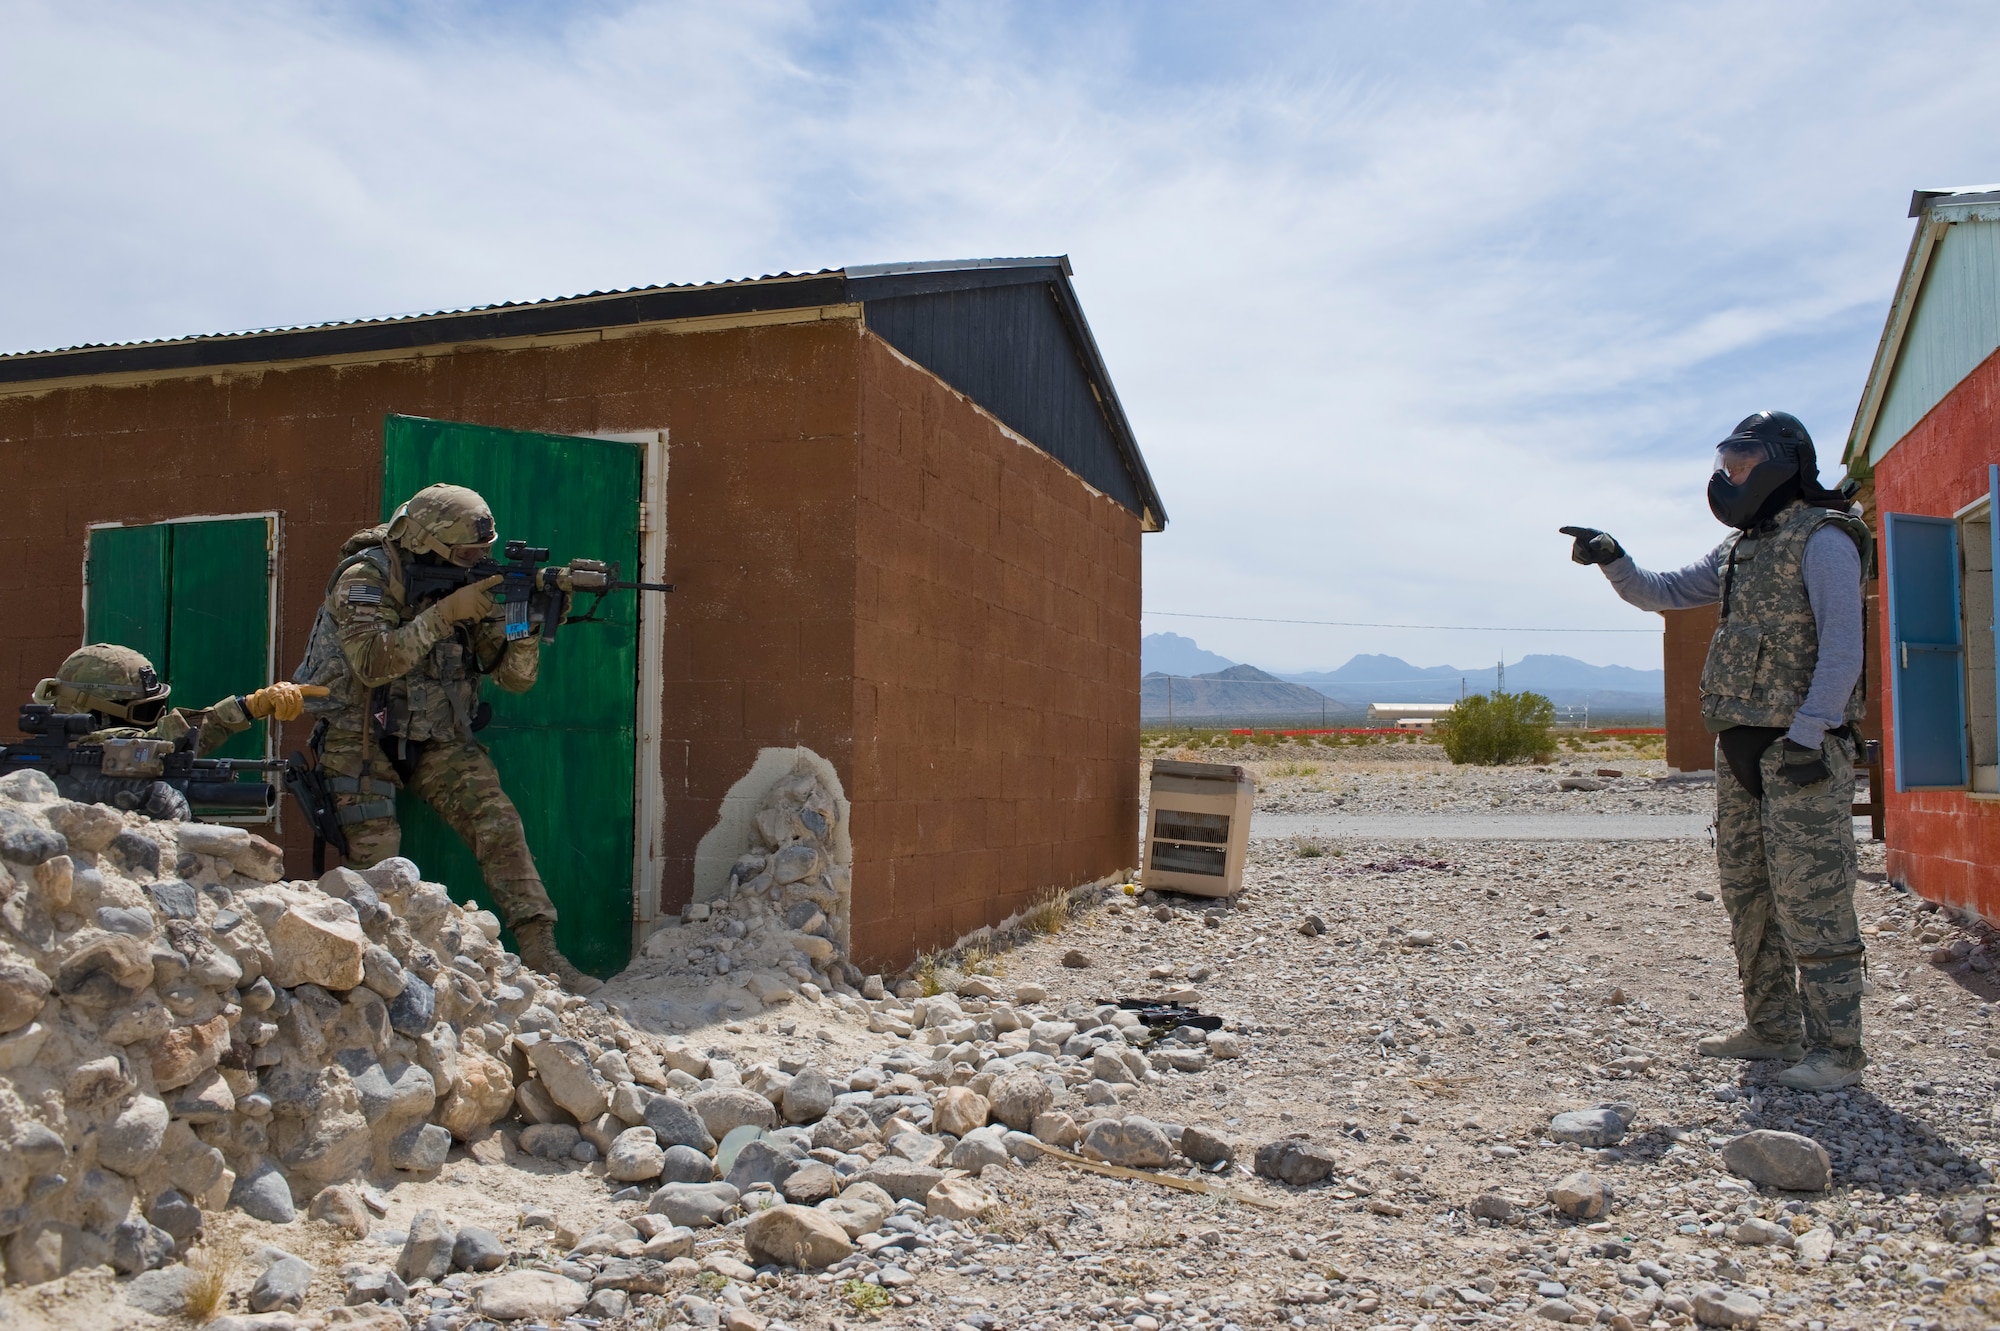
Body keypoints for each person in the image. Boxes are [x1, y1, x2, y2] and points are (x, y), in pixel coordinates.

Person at [1561, 411, 1870, 1091]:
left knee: (1813, 897)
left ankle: (1839, 1051)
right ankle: (1772, 1028)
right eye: (1724, 461)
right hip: (1741, 754)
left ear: (1782, 462)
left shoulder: (1823, 538)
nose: (1727, 475)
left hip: (1802, 754)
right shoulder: (1736, 550)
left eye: (1740, 462)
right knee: (1751, 895)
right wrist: (1614, 558)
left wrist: (1810, 732)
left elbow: (1844, 650)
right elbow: (1664, 592)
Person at [291, 482, 600, 994]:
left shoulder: (466, 582)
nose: (478, 560)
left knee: (499, 824)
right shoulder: (365, 577)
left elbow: (514, 679)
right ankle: (370, 973)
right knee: (378, 865)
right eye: (467, 552)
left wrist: (528, 619)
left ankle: (544, 954)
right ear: (429, 542)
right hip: (358, 736)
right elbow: (371, 664)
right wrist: (445, 614)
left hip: (436, 736)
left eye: (484, 551)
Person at [30, 642, 314, 819]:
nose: (155, 718)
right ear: (95, 710)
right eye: (143, 711)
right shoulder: (76, 752)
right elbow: (158, 745)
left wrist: (250, 706)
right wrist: (247, 707)